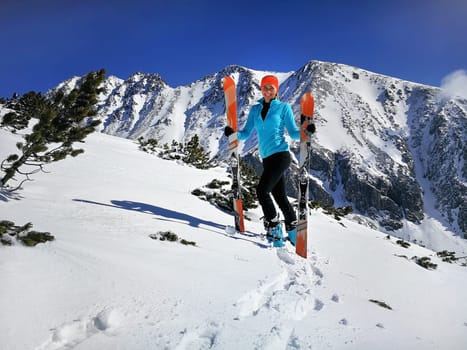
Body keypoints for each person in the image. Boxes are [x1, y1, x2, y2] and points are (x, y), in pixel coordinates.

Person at [224, 75, 316, 247]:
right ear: (261, 89)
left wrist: (306, 131)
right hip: (266, 158)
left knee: (262, 191)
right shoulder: (255, 110)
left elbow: (294, 132)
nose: (267, 91)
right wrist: (232, 133)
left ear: (276, 90)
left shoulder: (283, 108)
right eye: (264, 87)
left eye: (271, 87)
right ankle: (293, 229)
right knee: (279, 195)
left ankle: (274, 226)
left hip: (281, 155)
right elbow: (245, 133)